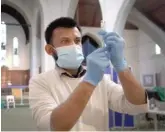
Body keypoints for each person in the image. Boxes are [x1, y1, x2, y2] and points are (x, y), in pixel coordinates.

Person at [29, 17, 148, 131]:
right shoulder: (40, 82)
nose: (74, 46)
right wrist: (90, 80)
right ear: (50, 50)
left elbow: (137, 105)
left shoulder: (102, 79)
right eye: (65, 41)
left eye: (77, 41)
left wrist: (121, 66)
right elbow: (56, 126)